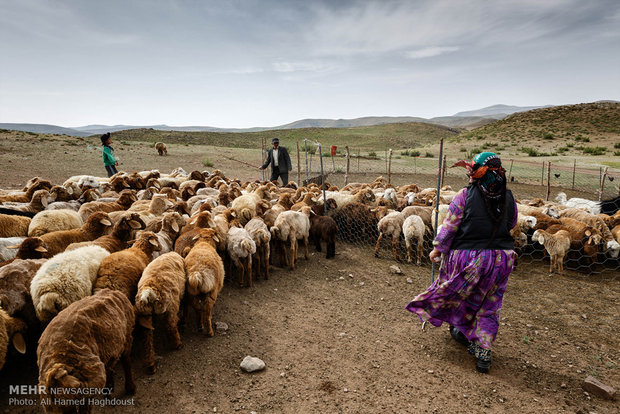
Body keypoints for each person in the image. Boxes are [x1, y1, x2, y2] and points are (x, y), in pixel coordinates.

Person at [405, 152, 517, 374]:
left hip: (470, 257)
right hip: (502, 259)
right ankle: (482, 349)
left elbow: (450, 226)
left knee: (458, 294)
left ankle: (460, 329)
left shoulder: (465, 196)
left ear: (475, 172)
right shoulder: (509, 197)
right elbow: (511, 224)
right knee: (489, 304)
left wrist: (437, 249)